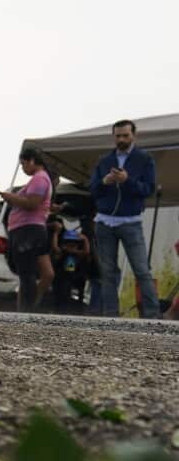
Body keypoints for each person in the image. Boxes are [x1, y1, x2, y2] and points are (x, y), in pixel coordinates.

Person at [89, 119, 159, 318]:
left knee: (141, 270)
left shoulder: (144, 159)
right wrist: (104, 181)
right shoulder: (104, 161)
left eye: (125, 135)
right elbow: (93, 190)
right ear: (113, 136)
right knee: (108, 272)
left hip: (131, 221)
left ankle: (153, 315)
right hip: (104, 222)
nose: (121, 139)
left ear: (134, 135)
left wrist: (127, 181)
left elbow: (148, 189)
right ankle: (110, 314)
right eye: (118, 136)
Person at [0, 148, 53, 312]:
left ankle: (26, 310)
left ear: (31, 161)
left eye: (23, 164)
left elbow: (32, 203)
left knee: (26, 272)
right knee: (46, 272)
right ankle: (30, 306)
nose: (22, 168)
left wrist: (10, 197)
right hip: (35, 228)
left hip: (27, 229)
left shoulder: (39, 179)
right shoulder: (41, 179)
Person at [50, 218, 91, 313]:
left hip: (72, 279)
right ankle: (58, 310)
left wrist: (85, 239)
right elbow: (55, 248)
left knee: (69, 295)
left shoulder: (77, 253)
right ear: (64, 243)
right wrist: (56, 234)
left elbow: (86, 252)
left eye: (74, 243)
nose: (71, 245)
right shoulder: (63, 252)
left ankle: (74, 310)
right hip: (60, 279)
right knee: (59, 295)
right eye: (68, 242)